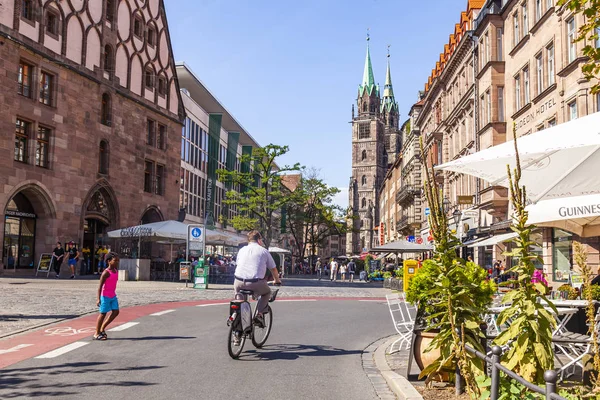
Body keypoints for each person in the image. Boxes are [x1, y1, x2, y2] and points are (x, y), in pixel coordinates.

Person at [233, 230, 282, 331]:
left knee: (240, 301)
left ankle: (237, 330)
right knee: (266, 292)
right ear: (259, 240)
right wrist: (277, 280)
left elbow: (239, 264)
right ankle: (259, 315)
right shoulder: (263, 251)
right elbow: (273, 268)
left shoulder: (242, 250)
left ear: (249, 240)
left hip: (238, 282)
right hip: (255, 283)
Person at [94, 252, 120, 340]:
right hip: (105, 296)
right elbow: (100, 287)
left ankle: (102, 328)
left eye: (117, 260)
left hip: (113, 295)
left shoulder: (116, 271)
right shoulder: (106, 273)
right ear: (109, 261)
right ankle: (96, 333)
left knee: (116, 312)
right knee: (103, 314)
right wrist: (98, 299)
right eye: (115, 260)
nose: (117, 262)